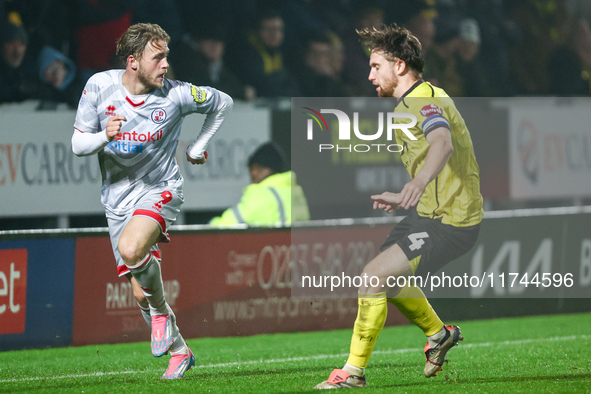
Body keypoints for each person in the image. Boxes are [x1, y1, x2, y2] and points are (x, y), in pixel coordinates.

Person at [315, 24, 483, 389]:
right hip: (429, 213)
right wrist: (407, 193)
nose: (369, 74)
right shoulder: (414, 101)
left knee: (373, 277)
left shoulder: (421, 100)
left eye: (376, 66)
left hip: (451, 221)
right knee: (385, 278)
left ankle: (352, 373)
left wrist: (417, 183)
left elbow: (442, 143)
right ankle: (439, 336)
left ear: (401, 66)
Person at [71, 23, 233, 379]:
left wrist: (197, 146)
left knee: (131, 250)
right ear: (132, 61)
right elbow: (78, 144)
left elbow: (223, 103)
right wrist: (103, 135)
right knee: (140, 293)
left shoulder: (176, 94)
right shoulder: (99, 86)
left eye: (166, 57)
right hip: (117, 199)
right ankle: (179, 350)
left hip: (160, 188)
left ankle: (161, 315)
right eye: (157, 57)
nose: (165, 65)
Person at [209, 142, 310, 226]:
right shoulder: (296, 191)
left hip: (271, 247)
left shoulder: (262, 193)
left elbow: (226, 225)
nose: (253, 173)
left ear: (270, 169)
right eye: (251, 168)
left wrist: (211, 225)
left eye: (258, 168)